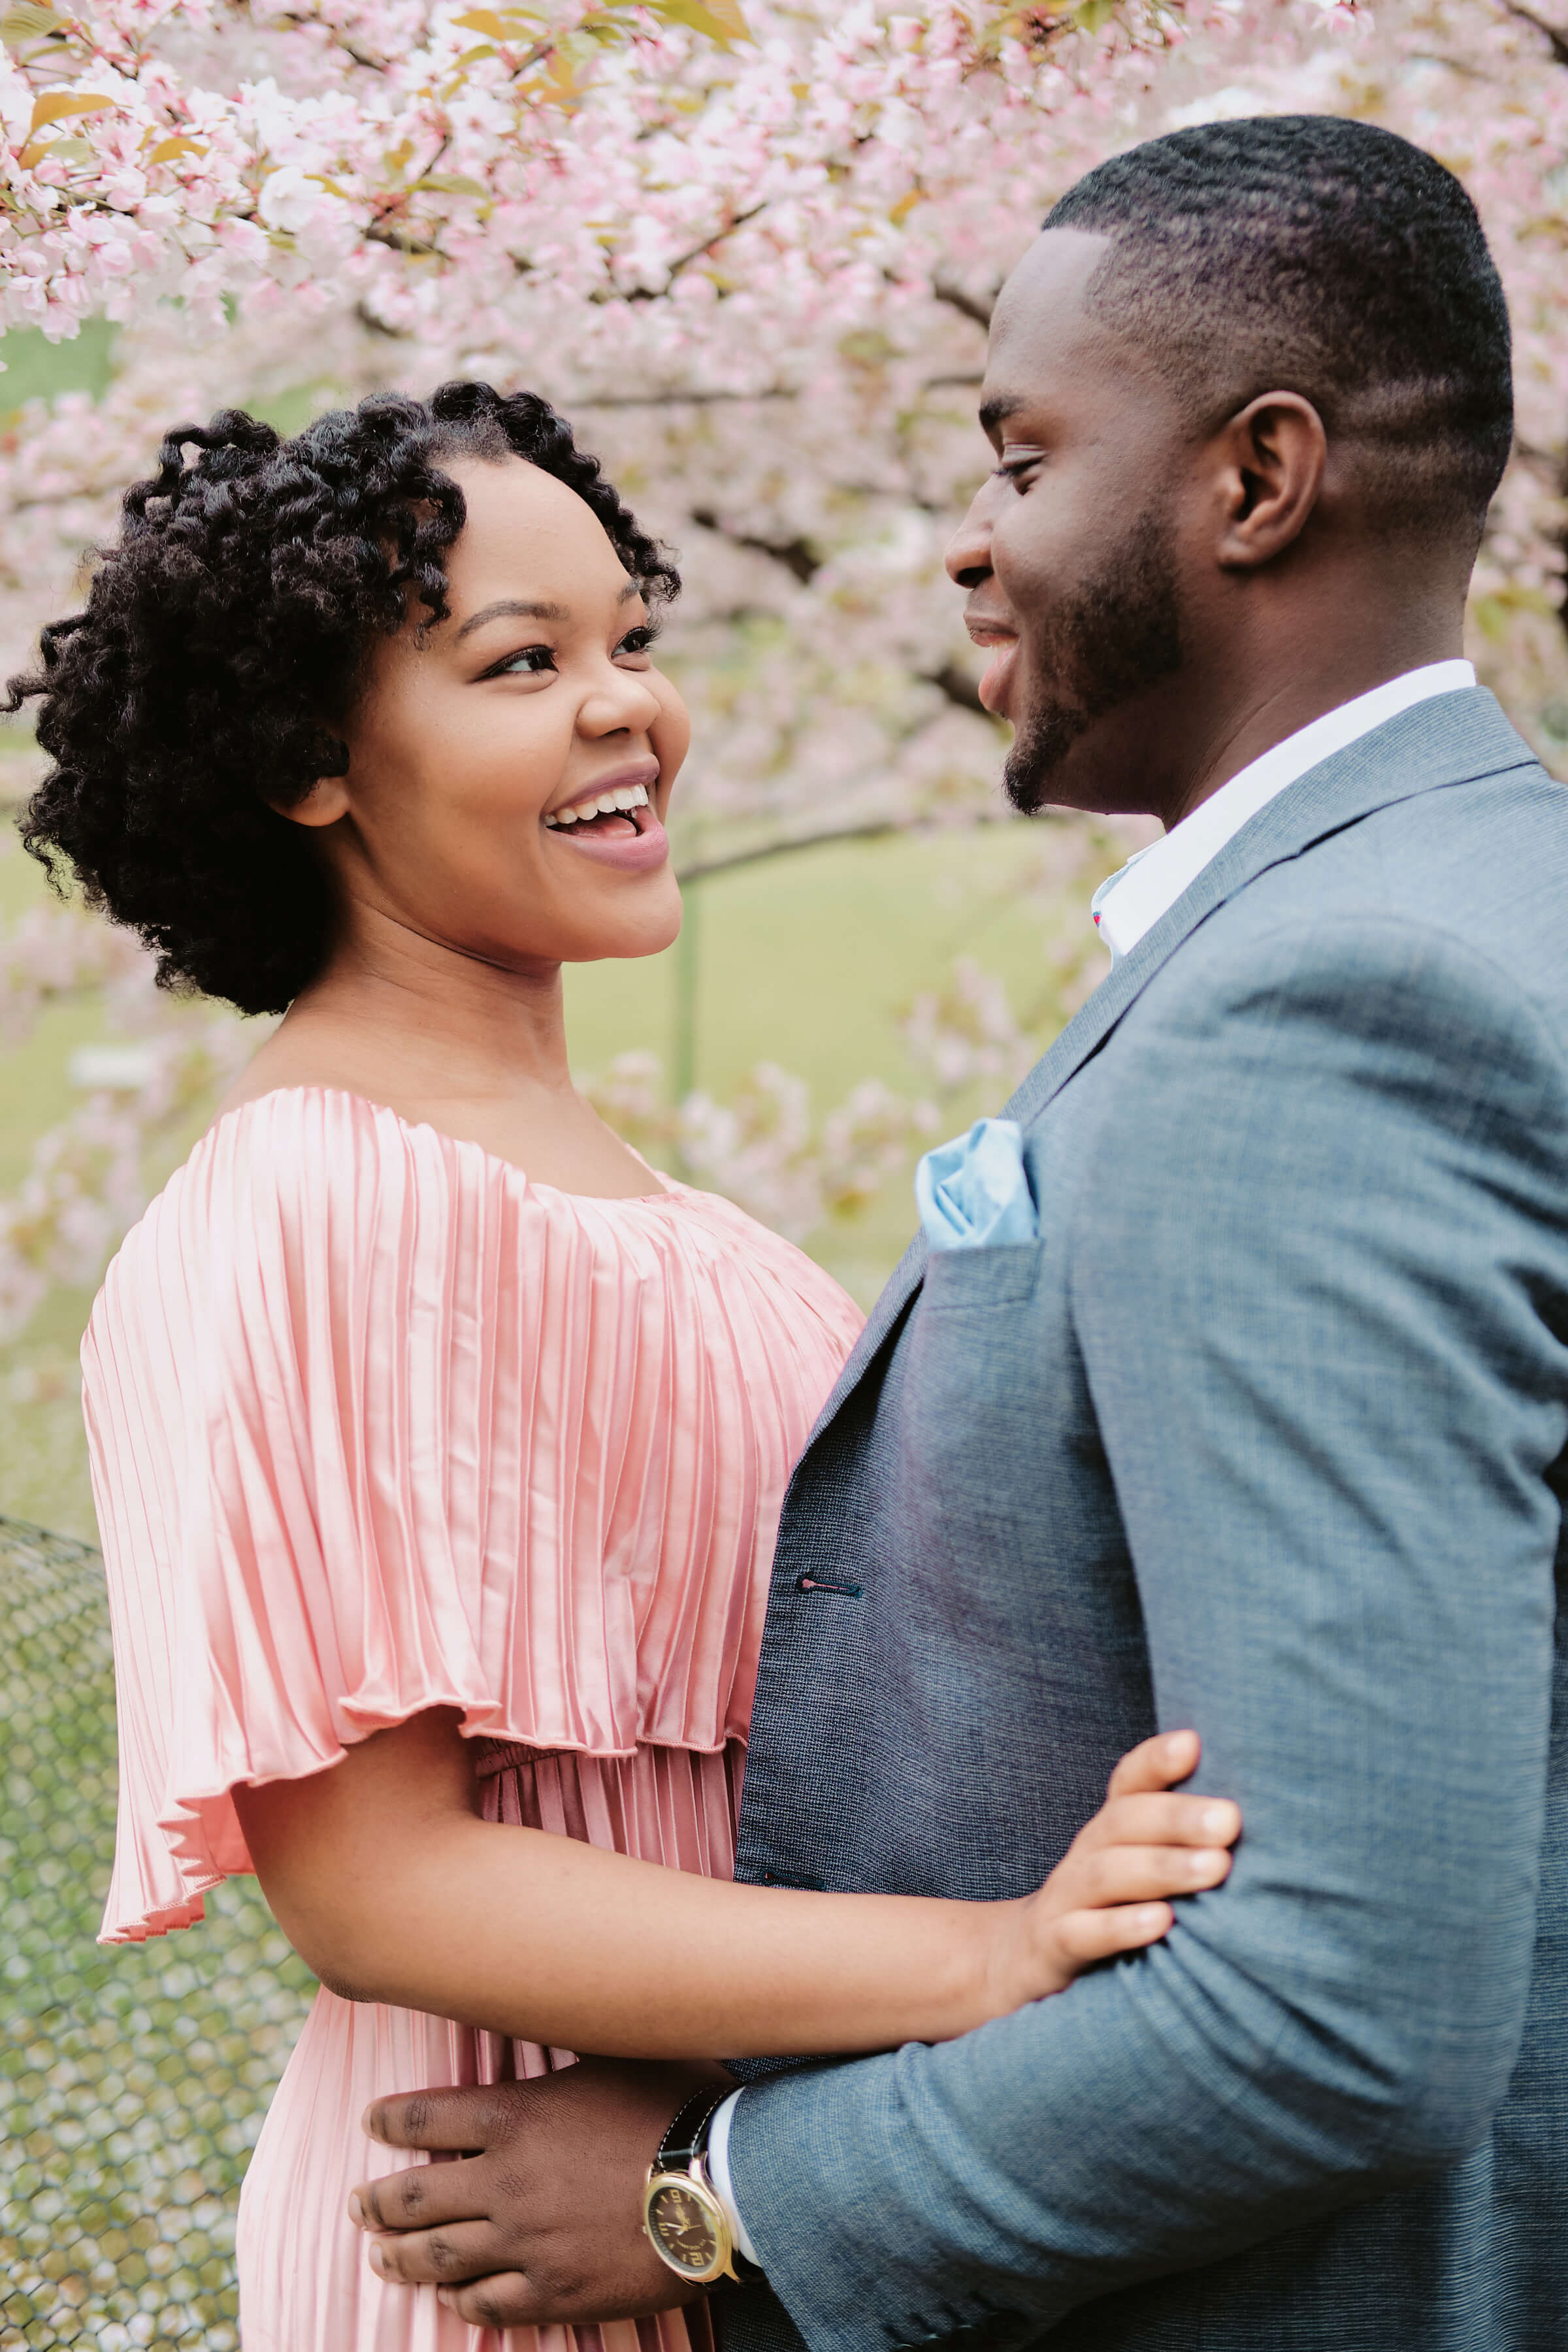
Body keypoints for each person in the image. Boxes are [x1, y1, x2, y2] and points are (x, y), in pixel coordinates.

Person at [346, 115, 1568, 2352]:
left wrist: (729, 2198)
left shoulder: (1327, 1009)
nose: (963, 546)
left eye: (1019, 459)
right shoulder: (1498, 893)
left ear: (1254, 481)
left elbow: (1346, 2007)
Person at [13, 384, 1243, 2352]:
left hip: (722, 2193)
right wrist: (993, 1960)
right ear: (308, 763)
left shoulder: (657, 1212)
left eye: (634, 639)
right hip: (504, 2236)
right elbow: (382, 1888)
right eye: (526, 662)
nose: (629, 708)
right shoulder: (316, 1206)